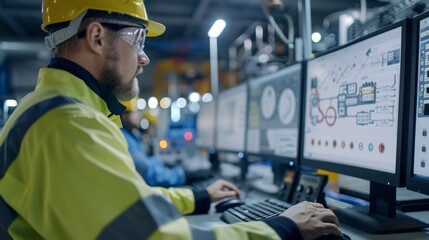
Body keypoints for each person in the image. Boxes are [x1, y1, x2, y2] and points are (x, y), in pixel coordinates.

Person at [0, 0, 343, 239]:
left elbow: (124, 204)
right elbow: (156, 237)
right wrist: (282, 228)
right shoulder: (68, 124)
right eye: (138, 38)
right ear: (97, 37)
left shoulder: (51, 109)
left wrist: (198, 197)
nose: (145, 57)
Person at [120, 98, 212, 187]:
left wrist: (163, 161)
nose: (139, 115)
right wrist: (183, 175)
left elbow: (146, 161)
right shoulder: (124, 138)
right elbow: (149, 172)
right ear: (124, 114)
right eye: (135, 111)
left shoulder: (132, 137)